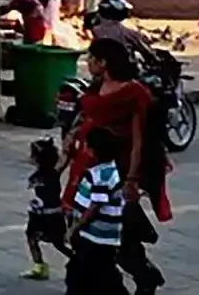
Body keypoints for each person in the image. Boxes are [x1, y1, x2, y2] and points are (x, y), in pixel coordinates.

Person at [66, 39, 167, 295]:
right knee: (83, 223)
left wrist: (132, 178)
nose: (88, 63)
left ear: (104, 62)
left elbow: (138, 138)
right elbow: (88, 116)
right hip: (88, 161)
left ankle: (142, 274)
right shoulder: (97, 86)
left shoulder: (134, 93)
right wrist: (73, 134)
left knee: (116, 230)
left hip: (118, 167)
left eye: (92, 58)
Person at [63, 128, 127, 295]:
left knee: (88, 276)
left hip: (97, 237)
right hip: (98, 237)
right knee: (96, 274)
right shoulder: (108, 170)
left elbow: (95, 207)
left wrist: (75, 227)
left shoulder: (101, 175)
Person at [20, 135, 66, 282]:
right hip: (49, 214)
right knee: (55, 242)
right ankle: (39, 266)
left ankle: (40, 266)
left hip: (44, 215)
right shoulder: (52, 174)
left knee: (42, 239)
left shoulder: (38, 178)